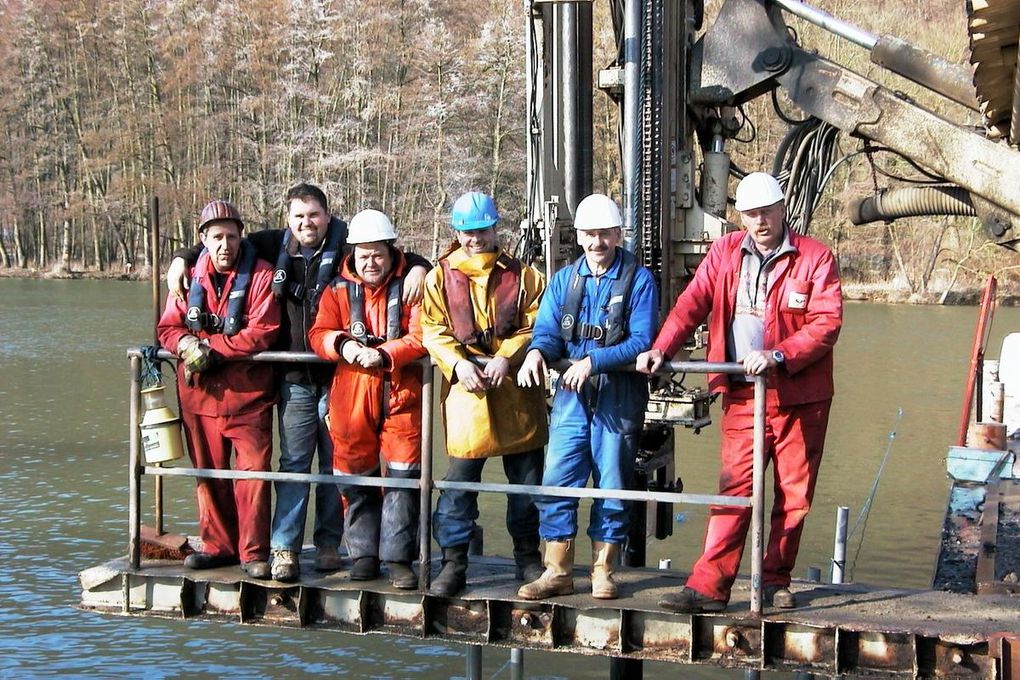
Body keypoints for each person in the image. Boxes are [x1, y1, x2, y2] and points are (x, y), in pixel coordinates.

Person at [167, 183, 429, 582]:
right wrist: (181, 259)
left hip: (343, 377)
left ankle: (329, 545)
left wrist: (420, 267)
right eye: (299, 216)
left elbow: (390, 255)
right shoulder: (274, 245)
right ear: (287, 219)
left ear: (328, 216)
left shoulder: (349, 248)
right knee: (293, 463)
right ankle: (284, 548)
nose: (307, 223)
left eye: (314, 215)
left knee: (336, 465)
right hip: (294, 379)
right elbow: (220, 244)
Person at [636, 172, 842, 612]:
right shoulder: (726, 251)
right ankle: (709, 587)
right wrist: (660, 348)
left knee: (794, 494)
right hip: (743, 395)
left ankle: (772, 581)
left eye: (767, 211)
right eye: (751, 213)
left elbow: (826, 323)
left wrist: (779, 355)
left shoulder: (816, 258)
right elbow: (691, 303)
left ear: (782, 208)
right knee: (733, 489)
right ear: (741, 216)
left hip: (799, 398)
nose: (760, 220)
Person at [516, 193, 659, 600]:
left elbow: (641, 340)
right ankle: (557, 571)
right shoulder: (564, 280)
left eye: (604, 234)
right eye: (589, 235)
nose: (597, 242)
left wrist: (593, 362)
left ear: (618, 234)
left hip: (618, 396)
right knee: (558, 481)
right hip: (570, 399)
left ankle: (603, 571)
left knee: (611, 481)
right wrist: (536, 354)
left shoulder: (639, 280)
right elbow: (545, 330)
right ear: (578, 236)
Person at [420, 191, 548, 597]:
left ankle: (528, 559)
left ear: (495, 227)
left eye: (481, 229)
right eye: (467, 231)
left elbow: (538, 324)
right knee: (458, 484)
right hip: (467, 389)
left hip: (515, 387)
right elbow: (433, 329)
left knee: (526, 483)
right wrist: (458, 364)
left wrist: (507, 356)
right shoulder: (439, 276)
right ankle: (453, 563)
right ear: (456, 231)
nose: (475, 238)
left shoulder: (525, 275)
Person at [157, 199, 281, 579]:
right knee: (208, 474)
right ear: (203, 240)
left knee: (254, 475)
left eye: (231, 235)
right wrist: (185, 345)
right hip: (198, 398)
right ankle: (217, 546)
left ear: (241, 236)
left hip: (249, 399)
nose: (225, 244)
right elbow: (168, 327)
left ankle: (253, 552)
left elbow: (263, 332)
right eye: (216, 237)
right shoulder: (187, 278)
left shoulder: (261, 275)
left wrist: (213, 349)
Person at [308, 209, 427, 589]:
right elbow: (319, 332)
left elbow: (423, 334)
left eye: (377, 254)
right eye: (364, 255)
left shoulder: (412, 287)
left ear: (391, 251)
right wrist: (343, 345)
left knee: (403, 477)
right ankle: (362, 554)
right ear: (353, 255)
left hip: (401, 390)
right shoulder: (337, 291)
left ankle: (399, 560)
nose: (371, 262)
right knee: (353, 476)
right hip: (351, 391)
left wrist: (387, 353)